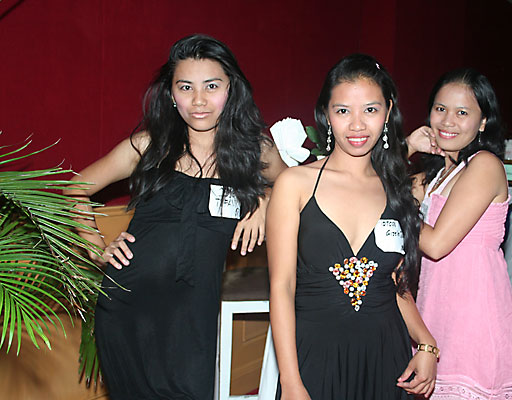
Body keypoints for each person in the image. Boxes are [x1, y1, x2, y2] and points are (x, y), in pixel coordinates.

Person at [66, 34, 286, 399]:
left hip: (194, 315)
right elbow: (75, 188)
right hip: (127, 306)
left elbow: (298, 186)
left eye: (211, 86)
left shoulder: (255, 152)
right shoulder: (147, 146)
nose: (198, 100)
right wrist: (96, 248)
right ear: (171, 93)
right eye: (185, 87)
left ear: (231, 89)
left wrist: (266, 199)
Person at [267, 54, 438, 400]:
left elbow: (395, 283)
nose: (357, 125)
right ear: (326, 114)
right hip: (315, 353)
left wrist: (426, 343)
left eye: (370, 110)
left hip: (385, 353)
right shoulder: (296, 184)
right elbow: (282, 287)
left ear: (388, 112)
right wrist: (291, 381)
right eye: (343, 110)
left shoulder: (397, 190)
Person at [407, 68, 512, 399]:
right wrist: (408, 146)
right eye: (440, 109)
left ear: (483, 121)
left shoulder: (485, 165)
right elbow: (372, 184)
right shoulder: (438, 174)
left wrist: (403, 207)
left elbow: (436, 244)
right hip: (438, 304)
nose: (448, 121)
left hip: (473, 311)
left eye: (462, 113)